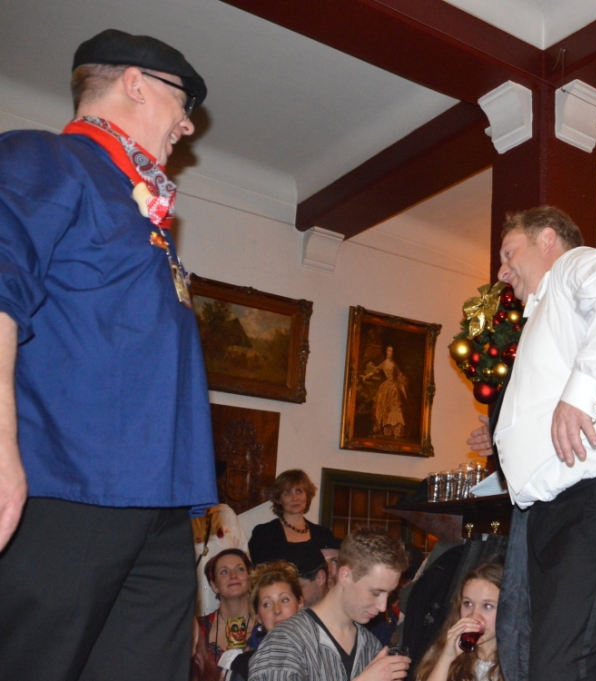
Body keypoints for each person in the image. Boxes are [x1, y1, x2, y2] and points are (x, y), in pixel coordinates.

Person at [0, 29, 216, 681]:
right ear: (135, 84)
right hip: (68, 488)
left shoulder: (143, 210)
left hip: (159, 509)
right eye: (183, 103)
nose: (187, 124)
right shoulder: (45, 159)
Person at [489, 206, 596, 680]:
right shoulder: (549, 313)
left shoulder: (568, 269)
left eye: (509, 253)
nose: (502, 271)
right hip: (567, 509)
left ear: (547, 239)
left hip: (595, 498)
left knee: (563, 668)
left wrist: (581, 394)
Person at [249, 528, 412, 681]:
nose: (382, 607)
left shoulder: (370, 645)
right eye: (375, 593)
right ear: (345, 576)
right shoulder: (285, 641)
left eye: (388, 594)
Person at [416, 563, 504, 681]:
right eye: (468, 603)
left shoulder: (521, 663)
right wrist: (446, 658)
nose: (474, 616)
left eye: (487, 606)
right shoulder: (443, 650)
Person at [228, 560, 306, 681]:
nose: (277, 610)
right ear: (258, 617)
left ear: (300, 603)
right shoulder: (244, 666)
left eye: (284, 600)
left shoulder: (322, 653)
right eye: (267, 604)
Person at [249, 469, 341, 567]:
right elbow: (261, 572)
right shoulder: (264, 533)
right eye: (287, 494)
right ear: (279, 500)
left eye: (299, 491)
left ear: (307, 495)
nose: (295, 498)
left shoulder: (323, 534)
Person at [196, 549, 255, 668]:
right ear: (214, 586)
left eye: (240, 569)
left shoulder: (267, 622)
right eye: (224, 572)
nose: (233, 576)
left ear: (249, 578)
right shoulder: (197, 629)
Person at [363, 345, 408, 438]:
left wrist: (403, 379)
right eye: (389, 351)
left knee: (396, 407)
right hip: (386, 387)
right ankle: (387, 428)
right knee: (384, 407)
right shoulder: (384, 363)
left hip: (394, 388)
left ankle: (396, 429)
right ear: (386, 352)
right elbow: (376, 371)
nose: (390, 353)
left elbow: (399, 374)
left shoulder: (394, 364)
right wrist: (367, 376)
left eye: (392, 351)